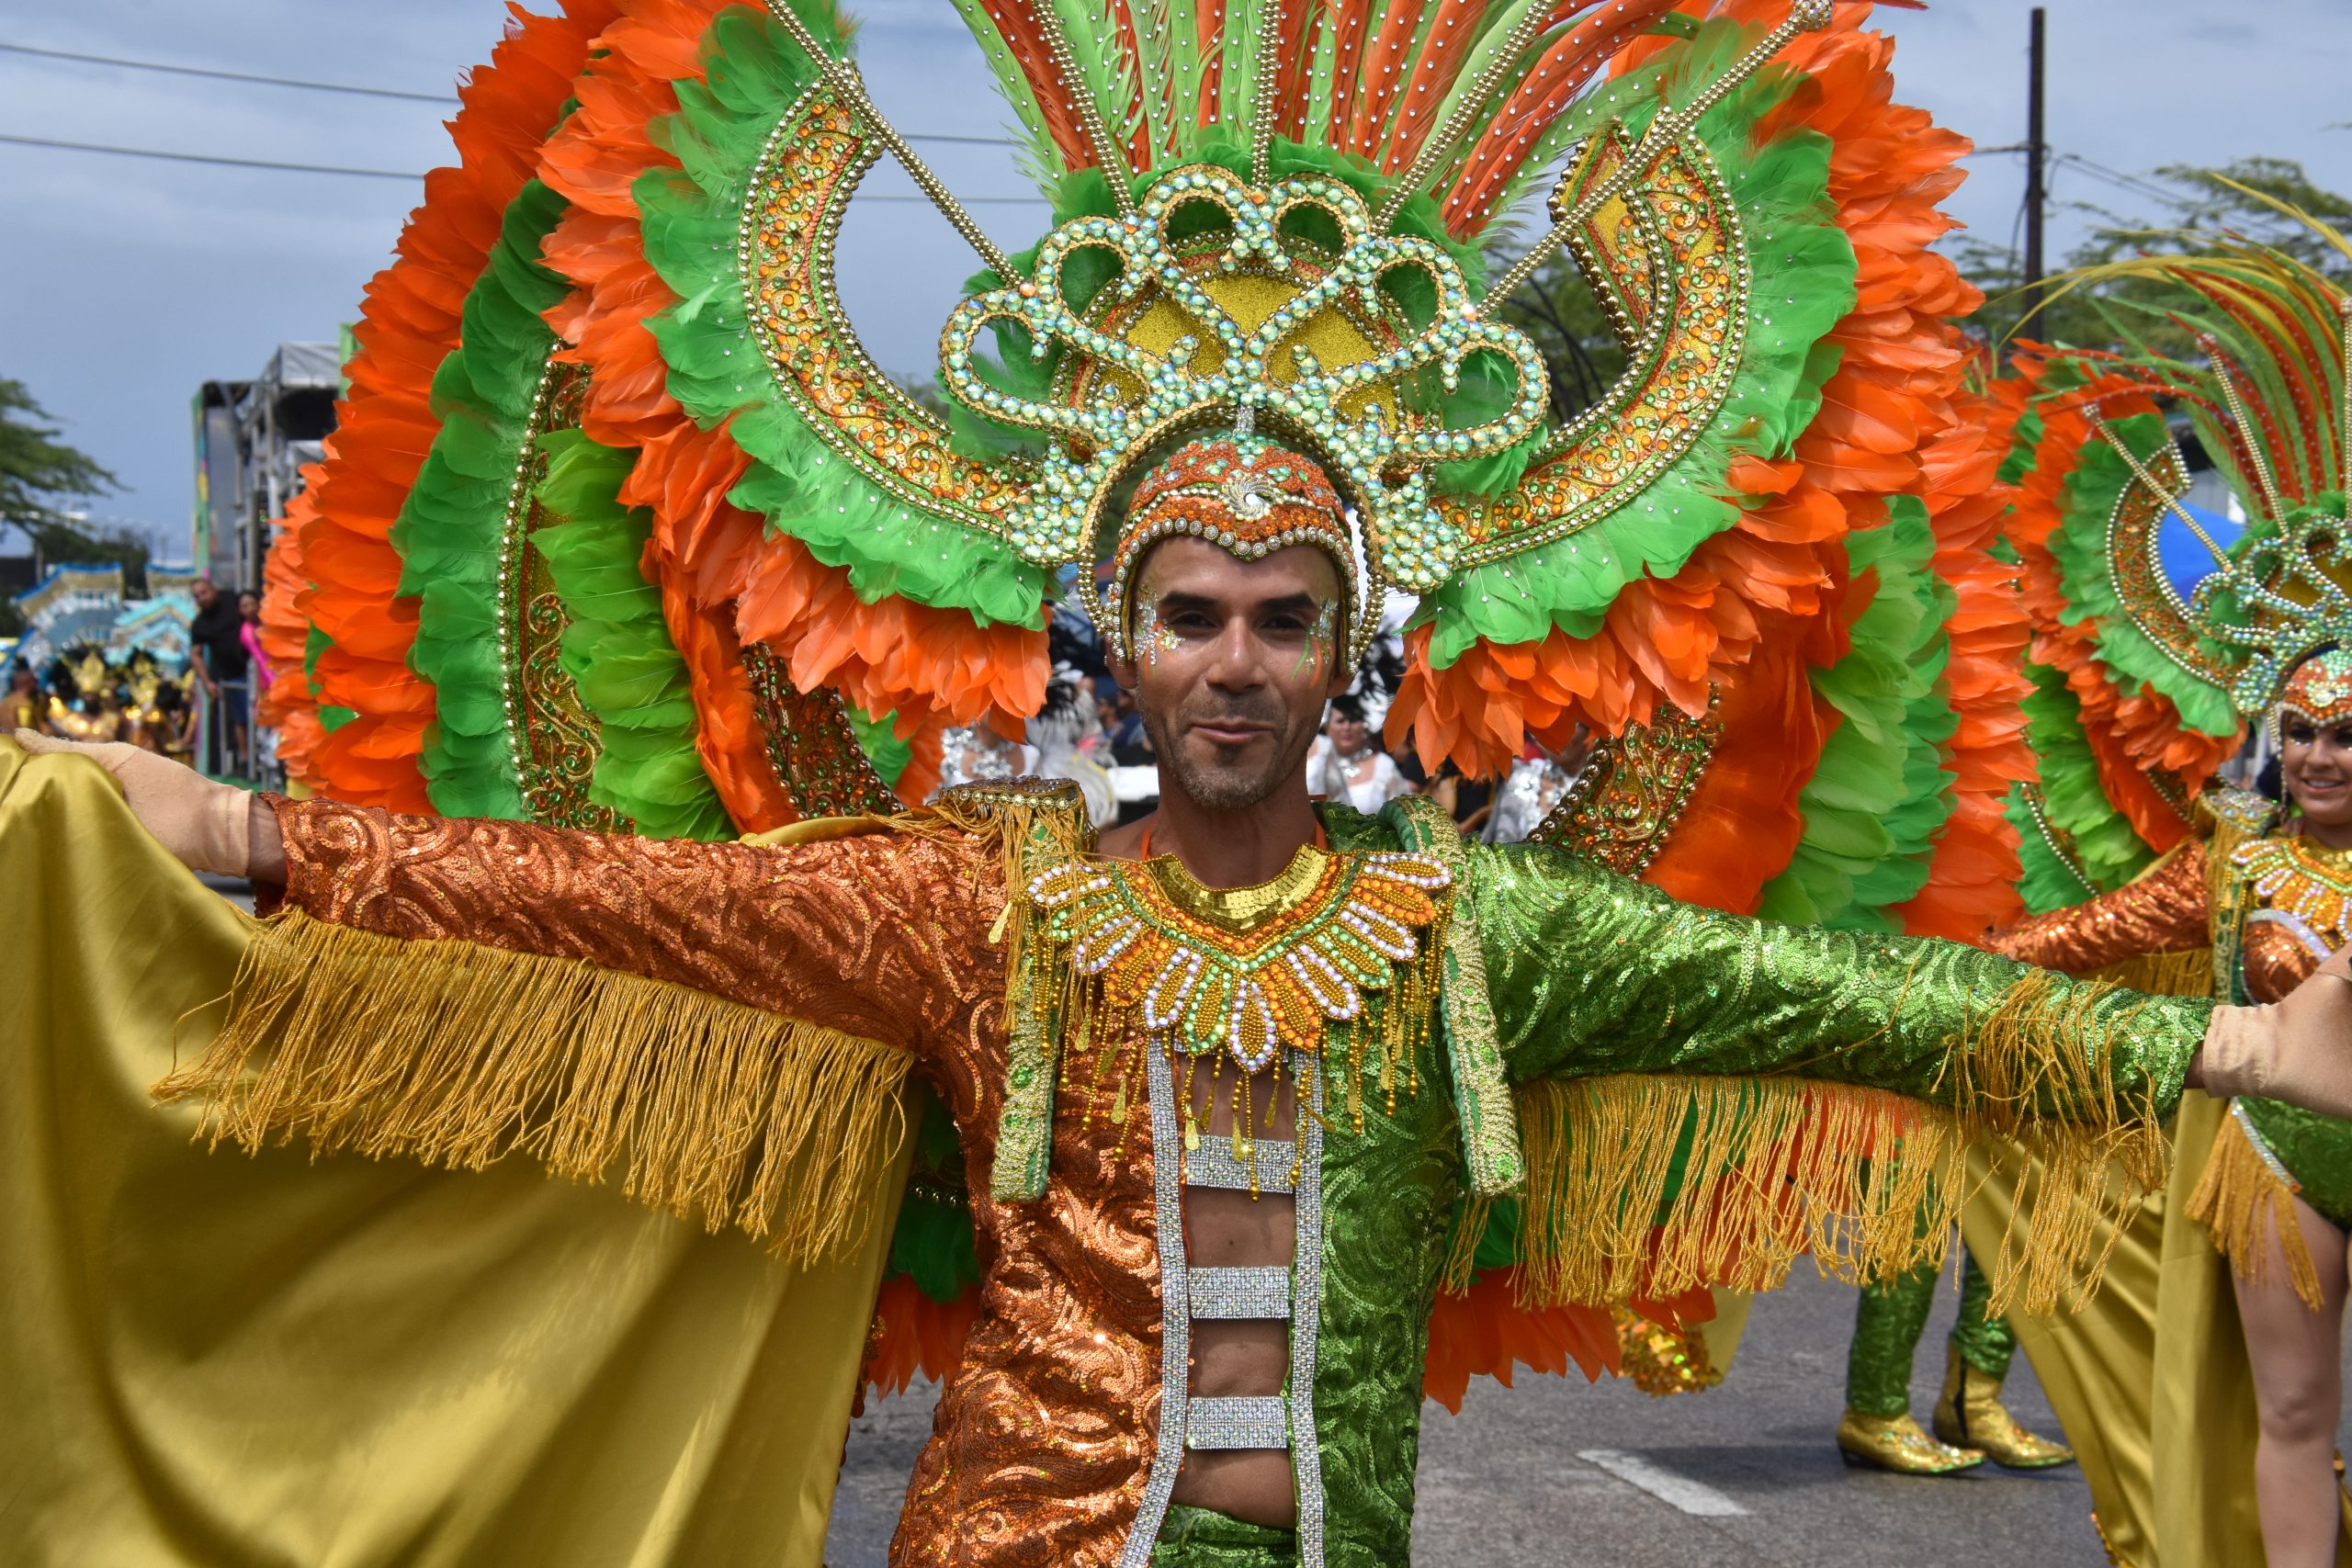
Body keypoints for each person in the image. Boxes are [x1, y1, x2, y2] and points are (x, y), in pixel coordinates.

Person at [20, 425, 2352, 1568]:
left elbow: (1849, 1001)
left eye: (1279, 617)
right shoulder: (981, 903)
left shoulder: (1472, 928)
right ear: (1112, 641)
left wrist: (2229, 1045)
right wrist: (240, 828)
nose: (1230, 661)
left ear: (1351, 664)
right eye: (1189, 611)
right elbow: (615, 900)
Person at [187, 577, 249, 774]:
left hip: (255, 667)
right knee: (240, 719)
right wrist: (207, 682)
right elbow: (196, 655)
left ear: (213, 589)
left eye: (204, 592)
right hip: (231, 676)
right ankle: (246, 760)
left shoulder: (232, 599)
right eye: (197, 596)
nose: (202, 598)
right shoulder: (199, 624)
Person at [1304, 695, 1406, 813]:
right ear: (1327, 727)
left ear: (1364, 725)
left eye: (1353, 720)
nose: (1347, 727)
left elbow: (1403, 812)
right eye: (1340, 721)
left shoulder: (1384, 765)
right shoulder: (1316, 762)